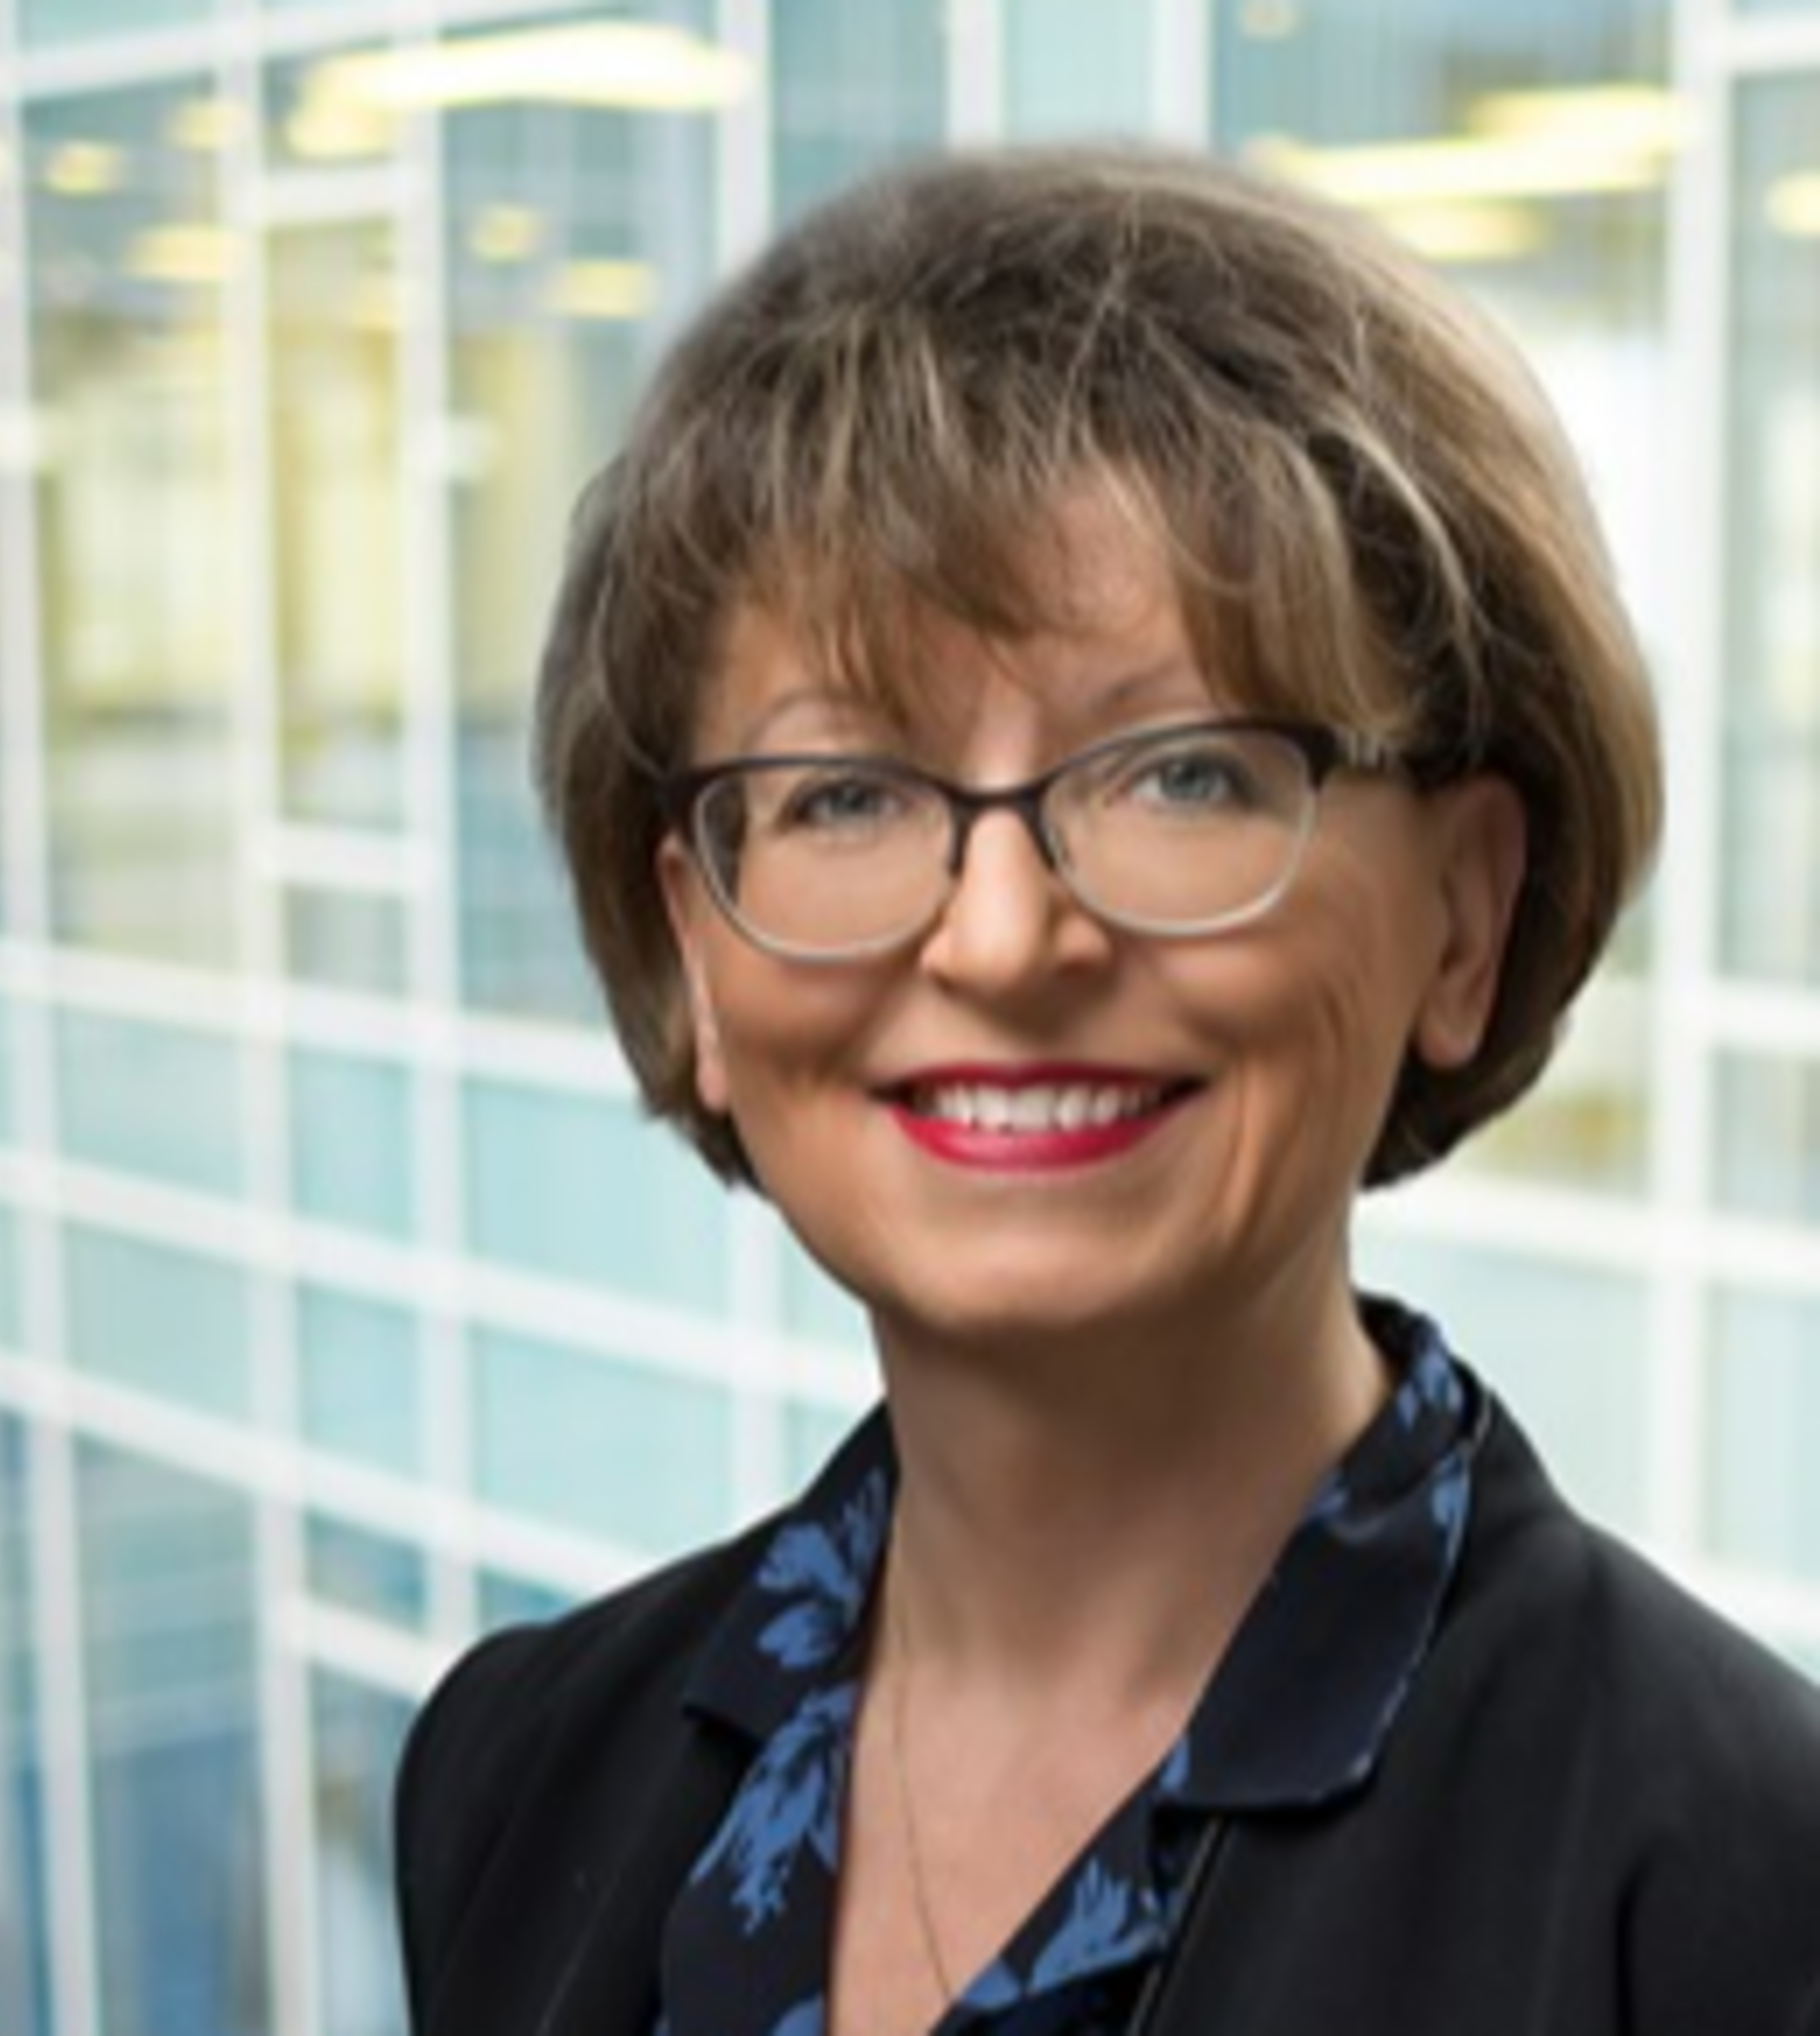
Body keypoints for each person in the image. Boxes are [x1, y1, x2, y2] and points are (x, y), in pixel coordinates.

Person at [394, 145, 1820, 2036]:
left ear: (1463, 918)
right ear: (695, 955)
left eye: (1183, 774)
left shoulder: (1742, 1889)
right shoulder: (515, 1774)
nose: (1002, 941)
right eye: (845, 794)